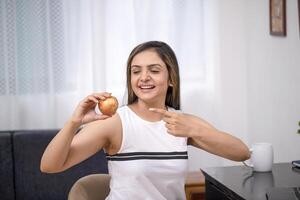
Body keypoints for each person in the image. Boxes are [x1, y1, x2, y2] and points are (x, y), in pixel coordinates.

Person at [40, 41, 250, 200]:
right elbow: (50, 166)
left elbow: (241, 152)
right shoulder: (116, 122)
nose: (143, 77)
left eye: (154, 70)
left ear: (171, 79)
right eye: (136, 71)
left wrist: (195, 131)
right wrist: (74, 122)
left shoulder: (181, 123)